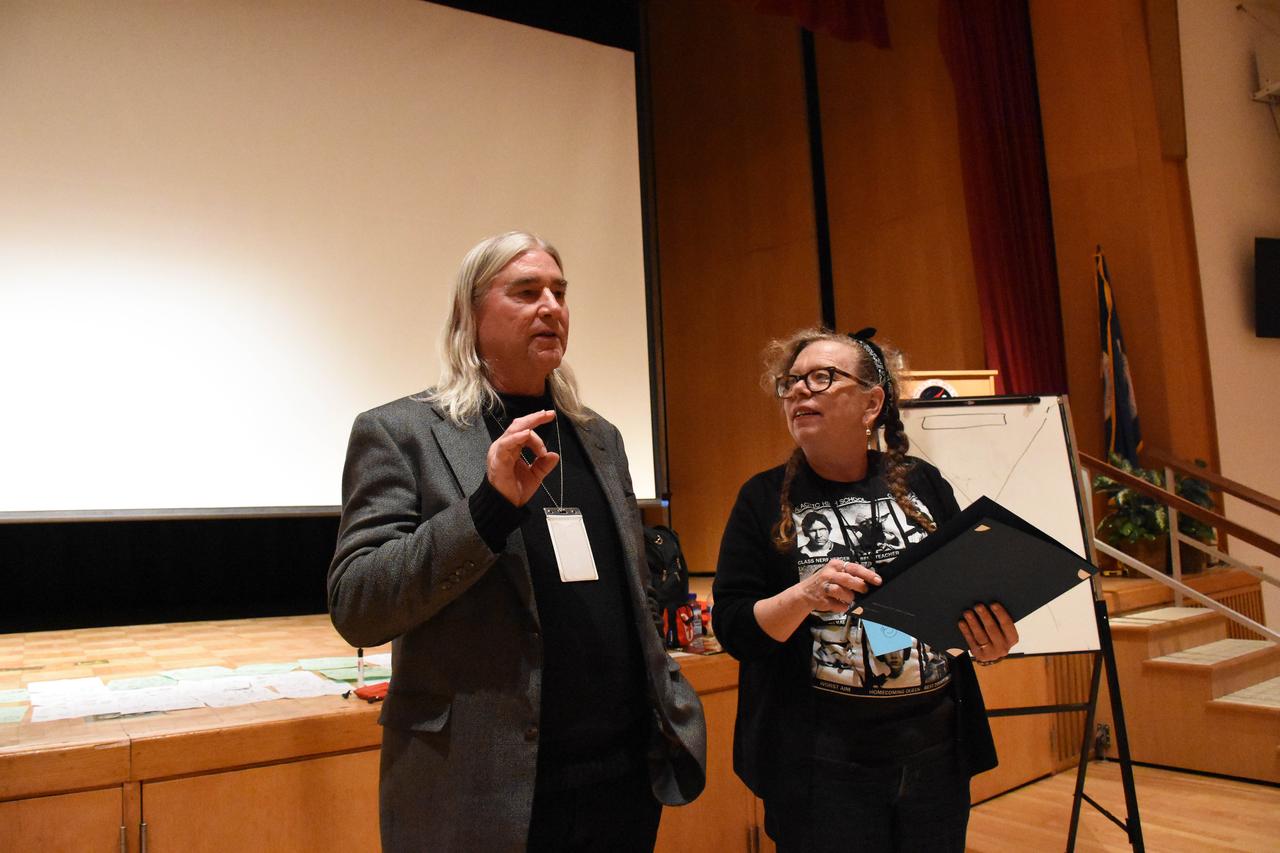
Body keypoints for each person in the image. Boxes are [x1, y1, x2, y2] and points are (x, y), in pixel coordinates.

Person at [328, 231, 706, 853]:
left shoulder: (600, 437)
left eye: (559, 292)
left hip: (620, 785)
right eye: (526, 292)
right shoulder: (401, 433)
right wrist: (487, 509)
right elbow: (360, 603)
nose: (551, 307)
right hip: (481, 787)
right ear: (470, 315)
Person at [712, 327, 1019, 853]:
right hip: (822, 765)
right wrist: (803, 596)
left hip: (935, 754)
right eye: (791, 383)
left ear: (871, 403)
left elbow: (960, 600)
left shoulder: (923, 483)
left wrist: (986, 642)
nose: (800, 391)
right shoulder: (761, 498)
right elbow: (735, 628)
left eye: (823, 378)